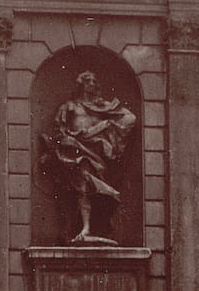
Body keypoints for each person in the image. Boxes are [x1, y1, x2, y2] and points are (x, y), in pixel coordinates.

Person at [39, 69, 137, 242]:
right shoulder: (69, 106)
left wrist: (108, 127)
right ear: (81, 84)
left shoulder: (103, 107)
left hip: (98, 152)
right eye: (88, 80)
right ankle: (86, 227)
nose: (92, 84)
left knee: (96, 189)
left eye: (93, 81)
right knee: (83, 186)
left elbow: (130, 119)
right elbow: (59, 130)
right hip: (77, 149)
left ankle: (93, 226)